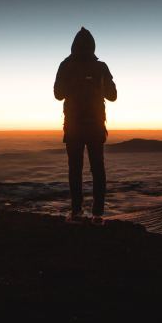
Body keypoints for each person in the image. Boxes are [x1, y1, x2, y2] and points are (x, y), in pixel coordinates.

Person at [53, 27, 117, 224]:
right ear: (93, 46)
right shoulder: (101, 67)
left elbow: (58, 94)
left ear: (73, 46)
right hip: (96, 126)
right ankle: (98, 214)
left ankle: (76, 212)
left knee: (75, 169)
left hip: (73, 126)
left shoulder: (65, 65)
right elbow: (113, 96)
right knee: (98, 169)